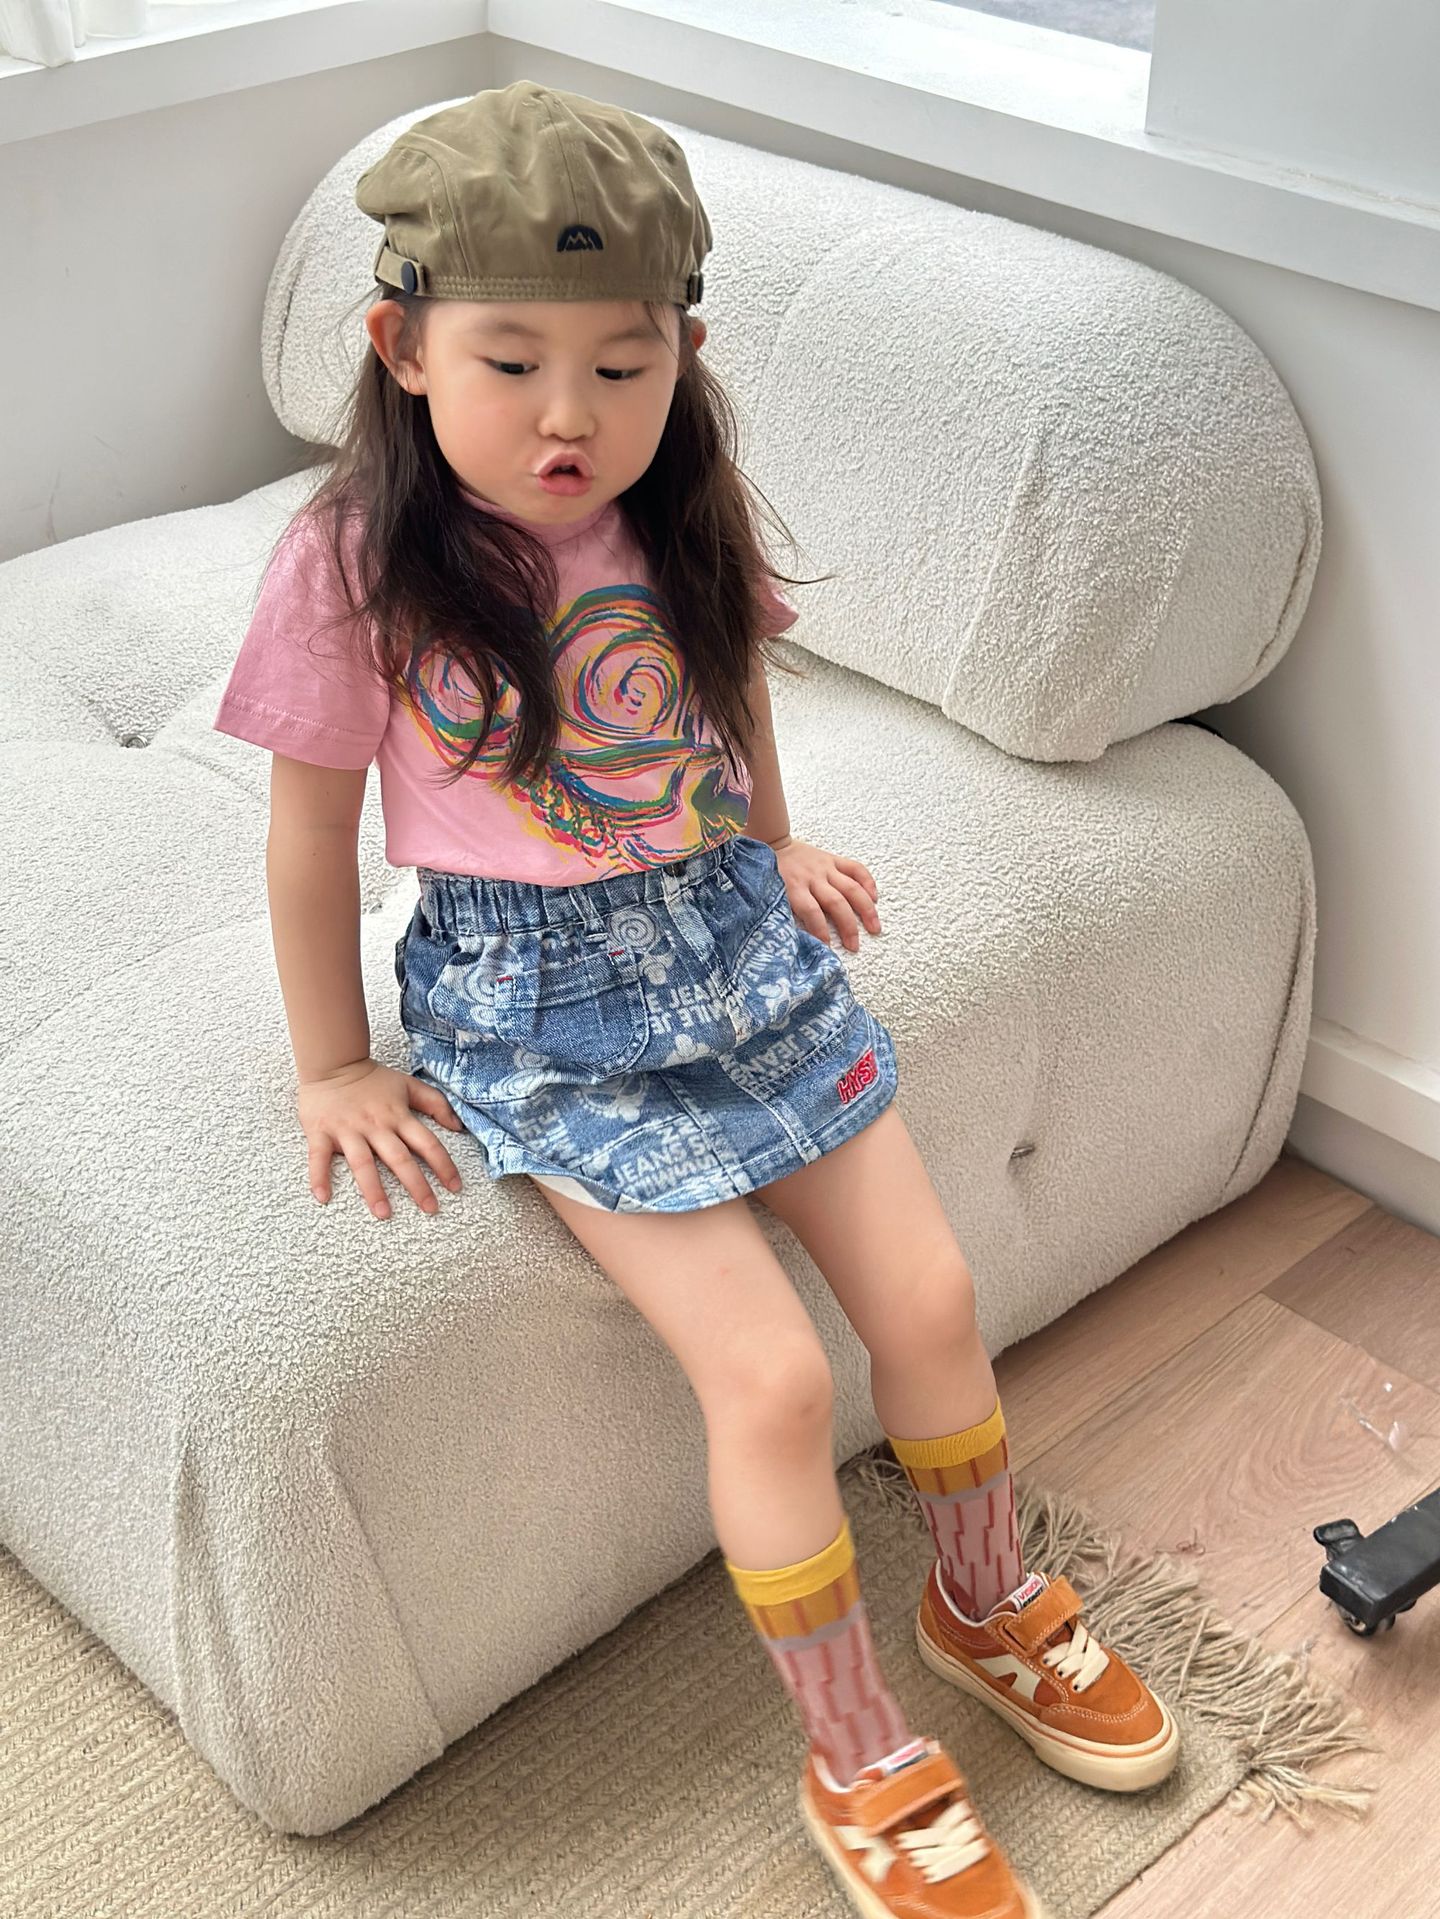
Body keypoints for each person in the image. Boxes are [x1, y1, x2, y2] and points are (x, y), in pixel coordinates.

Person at [212, 80, 1178, 1919]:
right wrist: (334, 1062)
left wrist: (773, 842)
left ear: (686, 355)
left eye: (622, 365)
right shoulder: (350, 564)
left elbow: (722, 695)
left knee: (933, 1296)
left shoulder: (676, 510)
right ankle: (855, 1751)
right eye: (511, 365)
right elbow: (311, 830)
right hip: (536, 1007)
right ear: (403, 351)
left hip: (732, 940)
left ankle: (984, 1603)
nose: (569, 416)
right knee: (771, 1375)